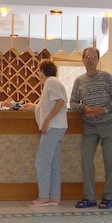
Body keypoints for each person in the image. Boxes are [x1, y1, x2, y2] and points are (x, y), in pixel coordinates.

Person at [70, 47, 112, 209]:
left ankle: (108, 197)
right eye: (87, 57)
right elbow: (72, 103)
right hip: (90, 125)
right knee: (86, 160)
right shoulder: (79, 81)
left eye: (93, 57)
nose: (90, 60)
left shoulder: (106, 77)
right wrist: (83, 108)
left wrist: (103, 109)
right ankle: (89, 197)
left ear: (98, 60)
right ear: (83, 59)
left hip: (109, 123)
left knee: (110, 161)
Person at [22, 60, 67, 206]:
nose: (38, 74)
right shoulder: (53, 82)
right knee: (53, 163)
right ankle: (54, 196)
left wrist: (47, 120)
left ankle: (44, 196)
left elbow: (60, 102)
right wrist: (34, 106)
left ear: (43, 70)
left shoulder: (51, 82)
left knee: (42, 161)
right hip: (57, 127)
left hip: (53, 127)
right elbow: (50, 104)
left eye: (38, 70)